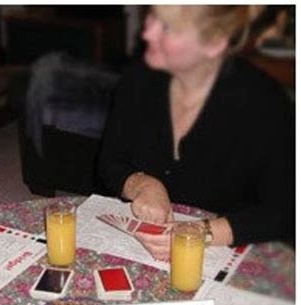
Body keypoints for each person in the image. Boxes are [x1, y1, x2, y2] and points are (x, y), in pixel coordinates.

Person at [98, 5, 294, 261]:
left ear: (214, 43)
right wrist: (143, 184)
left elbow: (284, 211)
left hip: (230, 254)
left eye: (167, 27)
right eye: (152, 17)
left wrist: (200, 233)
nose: (146, 33)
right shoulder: (138, 77)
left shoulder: (265, 103)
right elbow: (109, 162)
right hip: (141, 249)